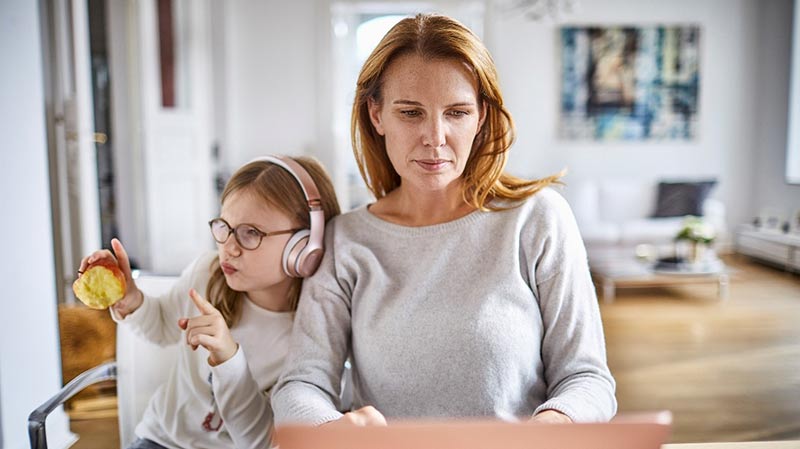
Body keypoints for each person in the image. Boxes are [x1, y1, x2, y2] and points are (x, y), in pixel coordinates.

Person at [271, 13, 616, 427]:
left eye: (456, 112)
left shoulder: (537, 219)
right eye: (411, 113)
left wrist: (552, 424)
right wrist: (332, 428)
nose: (435, 137)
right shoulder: (346, 241)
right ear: (376, 115)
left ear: (482, 116)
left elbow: (588, 378)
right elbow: (299, 386)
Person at [78, 155, 340, 448]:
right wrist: (131, 299)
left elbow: (262, 443)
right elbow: (162, 327)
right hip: (161, 441)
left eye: (250, 233)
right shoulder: (208, 273)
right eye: (224, 226)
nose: (228, 247)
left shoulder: (311, 336)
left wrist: (229, 360)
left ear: (305, 247)